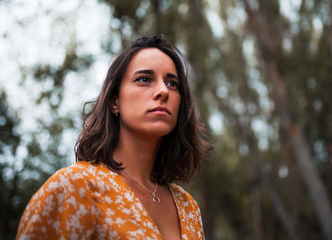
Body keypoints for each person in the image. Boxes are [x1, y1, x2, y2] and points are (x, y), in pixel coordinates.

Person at [16, 35, 210, 240]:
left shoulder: (188, 207)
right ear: (114, 101)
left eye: (172, 83)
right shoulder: (75, 187)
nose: (163, 91)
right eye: (144, 79)